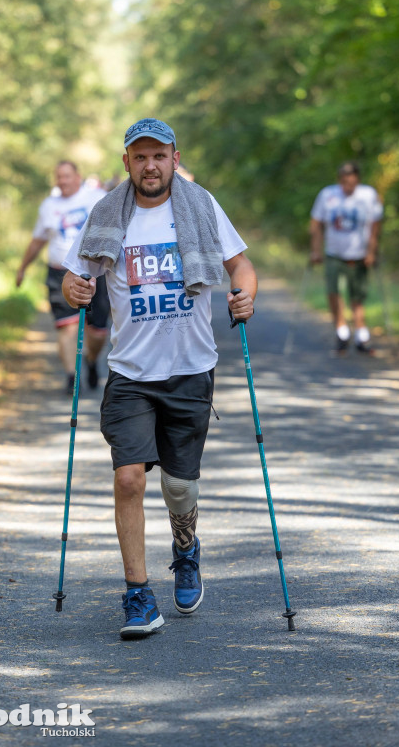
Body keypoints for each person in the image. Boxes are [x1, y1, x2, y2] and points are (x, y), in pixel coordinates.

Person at [62, 118, 257, 639]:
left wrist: (245, 293)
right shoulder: (107, 213)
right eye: (140, 156)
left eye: (160, 155)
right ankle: (138, 596)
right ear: (126, 162)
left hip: (191, 369)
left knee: (179, 487)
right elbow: (74, 274)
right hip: (130, 373)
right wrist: (74, 291)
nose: (151, 165)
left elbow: (241, 266)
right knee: (129, 478)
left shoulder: (201, 206)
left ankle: (186, 547)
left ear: (174, 158)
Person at [16, 161, 110, 393]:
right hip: (59, 272)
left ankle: (90, 360)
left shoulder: (97, 197)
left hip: (95, 272)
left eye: (67, 176)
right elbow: (38, 240)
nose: (63, 181)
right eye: (59, 177)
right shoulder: (49, 206)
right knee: (66, 327)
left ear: (78, 177)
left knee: (97, 331)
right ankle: (71, 377)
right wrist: (22, 267)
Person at [310, 161, 383, 355]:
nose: (347, 186)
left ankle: (361, 333)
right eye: (343, 182)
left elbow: (375, 226)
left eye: (351, 182)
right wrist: (315, 250)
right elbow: (316, 223)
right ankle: (341, 330)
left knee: (357, 295)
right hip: (334, 253)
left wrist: (371, 252)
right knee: (333, 290)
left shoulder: (368, 195)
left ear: (357, 180)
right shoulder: (328, 195)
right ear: (339, 180)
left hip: (359, 254)